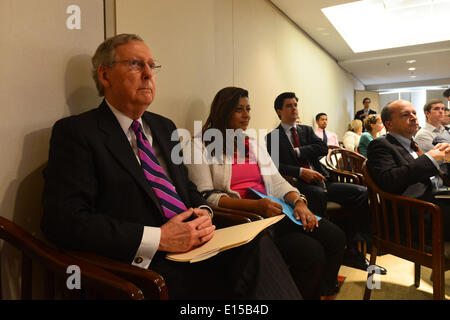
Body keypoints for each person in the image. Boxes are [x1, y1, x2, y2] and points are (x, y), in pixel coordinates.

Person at [40, 34, 303, 300]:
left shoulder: (164, 127)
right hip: (145, 264)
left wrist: (202, 212)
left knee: (257, 243)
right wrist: (158, 238)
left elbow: (185, 188)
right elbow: (63, 221)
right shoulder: (77, 132)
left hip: (196, 245)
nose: (147, 74)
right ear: (105, 76)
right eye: (135, 64)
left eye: (151, 66)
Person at [186, 87, 346, 299]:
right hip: (248, 220)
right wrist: (256, 206)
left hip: (277, 210)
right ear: (223, 111)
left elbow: (276, 181)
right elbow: (208, 198)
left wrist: (299, 202)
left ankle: (322, 292)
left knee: (336, 237)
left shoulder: (251, 142)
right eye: (239, 109)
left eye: (248, 109)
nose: (247, 115)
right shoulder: (199, 145)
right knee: (311, 253)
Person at [265, 92, 386, 274]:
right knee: (317, 195)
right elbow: (275, 166)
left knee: (360, 191)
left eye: (295, 105)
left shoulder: (306, 130)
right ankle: (327, 246)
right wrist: (300, 171)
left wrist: (297, 152)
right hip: (297, 186)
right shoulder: (272, 137)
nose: (294, 109)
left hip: (322, 180)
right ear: (279, 111)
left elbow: (322, 148)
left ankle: (354, 244)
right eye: (289, 106)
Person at [366, 100, 450, 240]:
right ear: (389, 124)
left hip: (437, 197)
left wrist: (445, 159)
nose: (413, 117)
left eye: (414, 113)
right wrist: (430, 158)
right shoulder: (380, 145)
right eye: (406, 115)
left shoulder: (412, 144)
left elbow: (432, 174)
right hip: (416, 210)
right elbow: (390, 180)